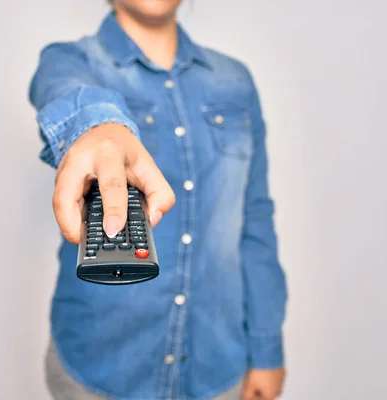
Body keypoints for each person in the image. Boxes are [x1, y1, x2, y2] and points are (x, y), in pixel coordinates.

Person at [28, 1, 288, 399]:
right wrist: (100, 128)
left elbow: (255, 221)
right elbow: (66, 89)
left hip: (217, 369)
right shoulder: (70, 61)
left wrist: (268, 348)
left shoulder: (235, 80)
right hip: (98, 371)